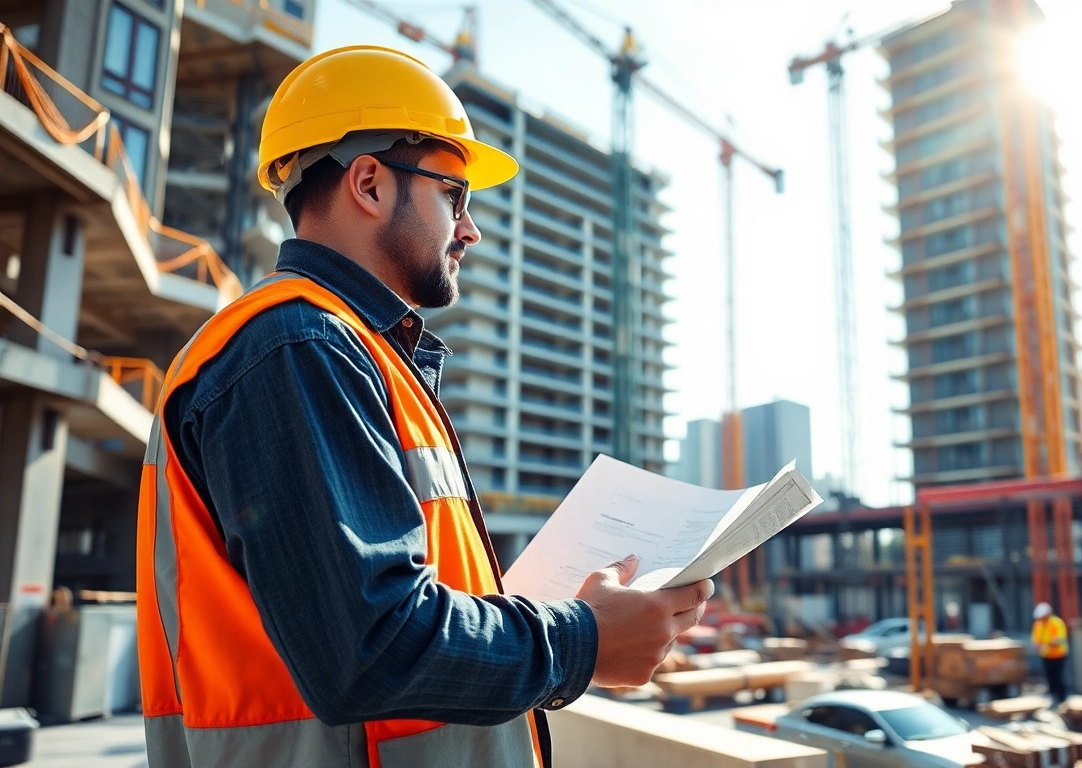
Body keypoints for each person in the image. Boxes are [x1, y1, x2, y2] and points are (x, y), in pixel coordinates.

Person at [135, 45, 712, 768]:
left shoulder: (349, 351)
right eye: (454, 196)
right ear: (370, 184)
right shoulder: (297, 347)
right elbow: (369, 647)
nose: (470, 230)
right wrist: (585, 639)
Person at [1032, 602, 1069, 705]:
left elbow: (1060, 639)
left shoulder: (1057, 622)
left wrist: (1048, 644)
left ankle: (1062, 699)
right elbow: (1036, 640)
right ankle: (1053, 697)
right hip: (1046, 655)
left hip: (1059, 655)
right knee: (1050, 677)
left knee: (1058, 677)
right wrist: (1038, 647)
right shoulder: (1038, 624)